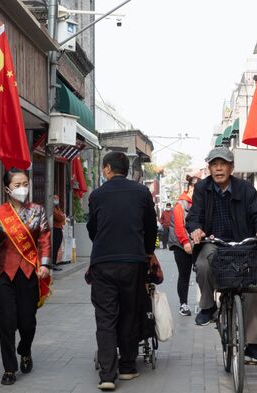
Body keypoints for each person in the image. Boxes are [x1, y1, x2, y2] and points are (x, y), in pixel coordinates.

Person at [186, 147, 257, 364]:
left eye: (222, 164)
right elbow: (194, 216)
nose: (218, 168)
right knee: (204, 264)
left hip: (242, 244)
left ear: (231, 167)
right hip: (214, 242)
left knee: (252, 290)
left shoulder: (245, 189)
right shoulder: (202, 189)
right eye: (214, 164)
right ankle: (208, 307)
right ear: (209, 168)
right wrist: (196, 229)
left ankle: (251, 345)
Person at [0, 169, 51, 386]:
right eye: (17, 185)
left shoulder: (38, 211)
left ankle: (25, 349)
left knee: (27, 322)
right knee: (6, 322)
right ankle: (9, 368)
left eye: (25, 183)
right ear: (8, 189)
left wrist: (45, 265)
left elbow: (44, 239)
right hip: (4, 274)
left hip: (28, 273)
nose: (22, 188)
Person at [86, 151, 157, 391]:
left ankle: (107, 375)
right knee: (129, 311)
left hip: (103, 262)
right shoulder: (142, 192)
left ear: (107, 169)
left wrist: (104, 242)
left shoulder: (97, 195)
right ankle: (127, 367)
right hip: (133, 262)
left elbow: (93, 229)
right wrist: (147, 252)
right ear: (127, 170)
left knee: (105, 317)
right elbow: (150, 226)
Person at [168, 175, 201, 316]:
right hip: (181, 245)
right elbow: (179, 227)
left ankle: (205, 303)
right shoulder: (180, 204)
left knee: (202, 272)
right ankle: (183, 304)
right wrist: (185, 242)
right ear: (191, 188)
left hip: (197, 242)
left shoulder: (199, 203)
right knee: (184, 274)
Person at [52, 194, 66, 271]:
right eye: (55, 199)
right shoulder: (52, 208)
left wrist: (62, 217)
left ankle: (54, 263)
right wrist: (62, 217)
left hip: (59, 228)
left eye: (57, 199)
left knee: (57, 246)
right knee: (54, 247)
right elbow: (59, 217)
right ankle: (52, 264)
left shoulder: (57, 208)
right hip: (55, 229)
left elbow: (62, 217)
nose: (56, 200)